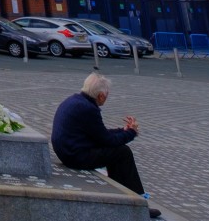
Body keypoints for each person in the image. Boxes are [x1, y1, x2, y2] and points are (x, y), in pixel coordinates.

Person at [52, 73, 160, 218]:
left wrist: (124, 130)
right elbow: (108, 141)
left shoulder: (75, 101)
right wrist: (131, 133)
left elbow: (99, 134)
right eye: (107, 94)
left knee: (115, 152)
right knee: (122, 152)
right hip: (75, 156)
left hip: (68, 151)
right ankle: (137, 202)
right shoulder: (88, 109)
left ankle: (125, 197)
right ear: (101, 96)